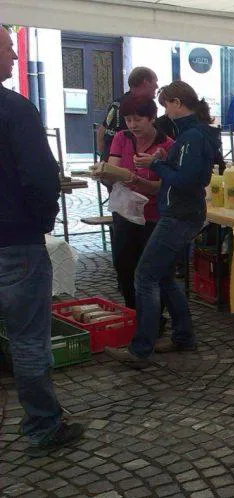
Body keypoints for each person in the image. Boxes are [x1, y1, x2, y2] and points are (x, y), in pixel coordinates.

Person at [0, 26, 85, 457]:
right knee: (28, 339)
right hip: (15, 241)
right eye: (9, 49)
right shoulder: (15, 109)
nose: (15, 57)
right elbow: (39, 176)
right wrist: (43, 220)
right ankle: (42, 426)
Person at [104, 81, 218, 368]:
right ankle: (183, 335)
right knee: (164, 276)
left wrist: (156, 166)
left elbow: (188, 180)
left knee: (145, 276)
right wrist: (163, 161)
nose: (165, 110)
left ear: (177, 103)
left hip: (179, 214)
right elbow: (185, 172)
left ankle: (141, 349)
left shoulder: (192, 136)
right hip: (181, 212)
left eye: (166, 103)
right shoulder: (191, 134)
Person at [105, 95, 176, 308]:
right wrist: (105, 174)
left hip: (154, 215)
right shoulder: (122, 138)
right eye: (128, 120)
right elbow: (113, 168)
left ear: (152, 117)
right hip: (125, 211)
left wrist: (138, 179)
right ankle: (133, 312)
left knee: (152, 270)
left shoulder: (167, 145)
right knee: (123, 266)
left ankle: (155, 317)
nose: (132, 125)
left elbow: (163, 187)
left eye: (138, 119)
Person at [96, 66, 164, 158]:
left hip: (109, 161)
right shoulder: (141, 107)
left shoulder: (117, 103)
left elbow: (102, 130)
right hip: (125, 163)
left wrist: (103, 157)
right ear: (145, 82)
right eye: (155, 81)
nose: (157, 86)